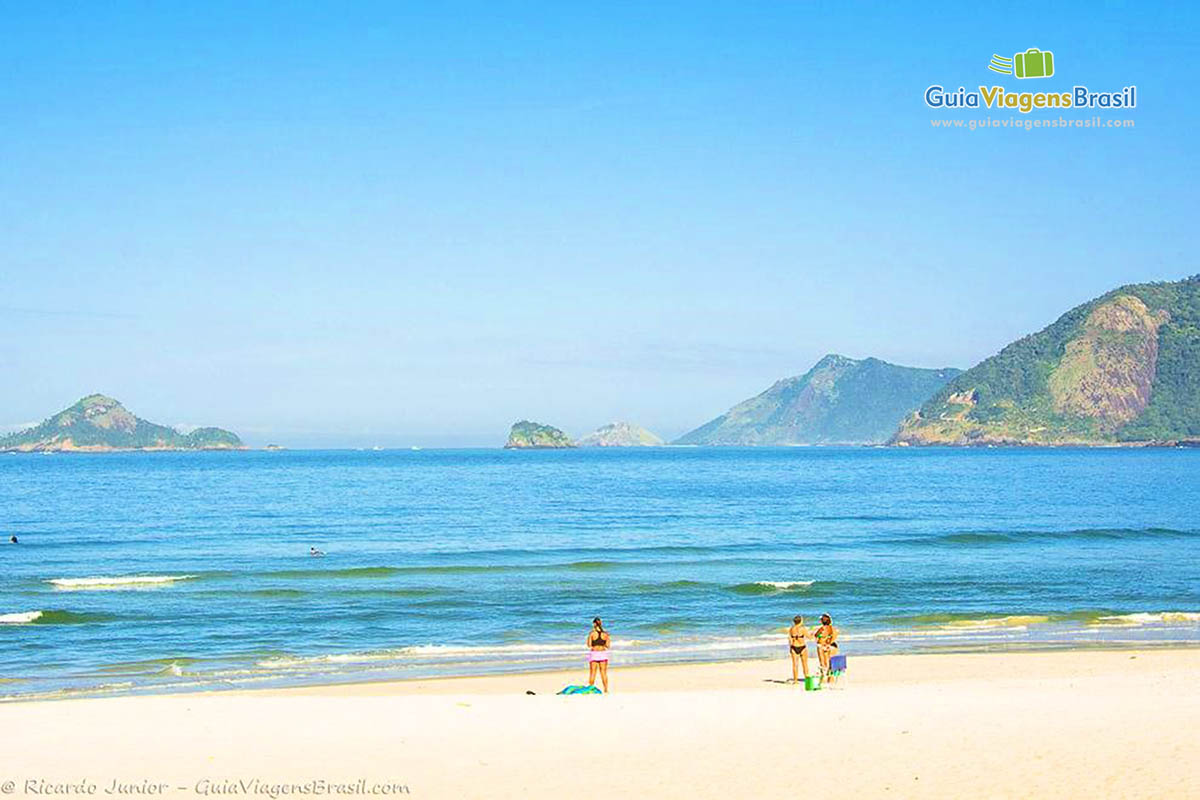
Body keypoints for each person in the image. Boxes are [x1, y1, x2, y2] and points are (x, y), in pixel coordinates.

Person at [586, 617, 610, 693]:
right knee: (603, 672)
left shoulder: (592, 633)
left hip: (594, 653)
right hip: (603, 653)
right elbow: (608, 646)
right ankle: (606, 689)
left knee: (593, 672)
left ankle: (590, 689)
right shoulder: (606, 634)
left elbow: (589, 645)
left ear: (594, 624)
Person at [814, 613, 839, 679]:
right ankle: (831, 678)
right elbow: (835, 636)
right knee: (831, 663)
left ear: (822, 621)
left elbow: (816, 635)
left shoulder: (821, 629)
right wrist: (829, 643)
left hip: (822, 646)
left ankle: (823, 678)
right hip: (832, 646)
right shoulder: (833, 629)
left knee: (823, 663)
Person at [787, 615, 811, 684]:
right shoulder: (803, 629)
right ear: (800, 621)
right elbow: (809, 637)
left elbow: (790, 639)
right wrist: (813, 634)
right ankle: (806, 679)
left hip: (794, 647)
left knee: (795, 665)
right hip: (802, 647)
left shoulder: (791, 629)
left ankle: (795, 680)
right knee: (805, 664)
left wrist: (790, 648)